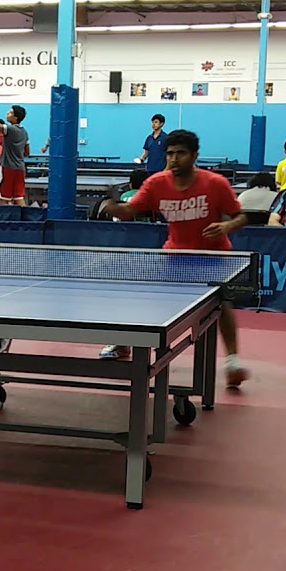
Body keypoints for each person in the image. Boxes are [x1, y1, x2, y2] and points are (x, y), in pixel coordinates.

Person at [99, 129, 250, 387]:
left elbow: (241, 216)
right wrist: (109, 206)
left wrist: (226, 227)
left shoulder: (215, 183)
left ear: (194, 156)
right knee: (147, 300)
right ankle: (124, 343)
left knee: (222, 304)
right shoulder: (156, 183)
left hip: (212, 257)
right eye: (170, 154)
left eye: (181, 153)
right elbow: (130, 209)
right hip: (174, 256)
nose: (174, 159)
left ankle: (233, 361)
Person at [0, 97, 28, 205]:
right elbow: (27, 152)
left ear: (15, 118)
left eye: (10, 112)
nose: (7, 113)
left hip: (7, 168)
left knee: (3, 198)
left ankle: (4, 221)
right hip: (20, 168)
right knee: (19, 197)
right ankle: (27, 220)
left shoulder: (10, 129)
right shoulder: (25, 132)